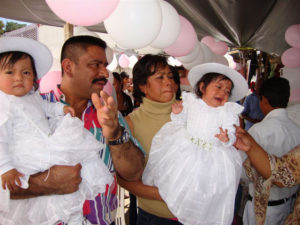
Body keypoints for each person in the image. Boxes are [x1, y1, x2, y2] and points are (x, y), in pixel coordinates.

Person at [9, 35, 145, 225]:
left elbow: (134, 173)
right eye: (95, 64)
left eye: (105, 65)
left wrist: (115, 135)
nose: (105, 73)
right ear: (68, 67)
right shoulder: (28, 110)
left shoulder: (109, 114)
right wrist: (44, 184)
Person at [142, 62, 248, 225]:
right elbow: (181, 122)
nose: (223, 93)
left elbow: (232, 133)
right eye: (218, 87)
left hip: (214, 156)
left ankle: (200, 216)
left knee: (207, 190)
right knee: (180, 181)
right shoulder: (191, 102)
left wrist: (228, 139)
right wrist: (177, 114)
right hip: (187, 149)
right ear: (202, 87)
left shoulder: (227, 112)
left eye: (227, 91)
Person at [117, 54, 182, 225]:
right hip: (155, 217)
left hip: (198, 215)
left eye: (170, 76)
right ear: (143, 86)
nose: (168, 82)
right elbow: (122, 177)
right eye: (160, 77)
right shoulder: (131, 123)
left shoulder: (192, 111)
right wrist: (163, 194)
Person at [240, 77, 300, 225]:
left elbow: (244, 173)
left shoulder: (258, 131)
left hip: (263, 209)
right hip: (289, 206)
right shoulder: (297, 130)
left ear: (264, 100)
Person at [234, 126, 300, 225]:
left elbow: (280, 173)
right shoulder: (295, 128)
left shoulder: (258, 130)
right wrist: (251, 147)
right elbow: (282, 173)